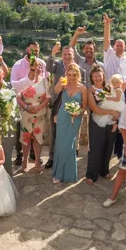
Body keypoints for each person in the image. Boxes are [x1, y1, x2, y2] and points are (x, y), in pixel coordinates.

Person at [43, 41, 78, 170]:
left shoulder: (78, 68)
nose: (67, 56)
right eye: (65, 54)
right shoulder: (57, 65)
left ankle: (68, 156)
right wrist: (52, 53)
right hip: (58, 101)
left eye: (69, 54)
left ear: (73, 55)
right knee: (55, 131)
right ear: (62, 55)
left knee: (70, 132)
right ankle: (52, 157)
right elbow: (48, 68)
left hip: (72, 101)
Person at [52, 63, 87, 184]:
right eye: (69, 74)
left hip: (74, 118)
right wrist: (60, 83)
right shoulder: (64, 84)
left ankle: (68, 174)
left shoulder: (82, 88)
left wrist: (78, 112)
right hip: (62, 116)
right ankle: (58, 174)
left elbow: (84, 106)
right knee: (60, 143)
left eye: (74, 75)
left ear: (78, 75)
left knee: (69, 145)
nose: (72, 77)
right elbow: (56, 91)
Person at [85, 70, 123, 184]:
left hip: (111, 122)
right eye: (95, 76)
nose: (97, 78)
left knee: (108, 147)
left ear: (103, 76)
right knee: (96, 148)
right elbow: (95, 109)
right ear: (92, 77)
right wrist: (112, 112)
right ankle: (91, 174)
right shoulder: (90, 91)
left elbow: (119, 100)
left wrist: (116, 115)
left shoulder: (110, 88)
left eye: (99, 75)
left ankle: (104, 171)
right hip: (97, 122)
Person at [15, 60, 51, 173]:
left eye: (39, 66)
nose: (37, 68)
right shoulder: (24, 81)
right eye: (34, 65)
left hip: (40, 113)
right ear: (30, 68)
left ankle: (36, 161)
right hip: (26, 113)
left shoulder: (45, 81)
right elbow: (17, 97)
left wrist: (39, 108)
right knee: (26, 137)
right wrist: (26, 107)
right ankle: (24, 161)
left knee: (38, 138)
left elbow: (48, 97)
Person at [102, 13, 126, 83]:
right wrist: (107, 25)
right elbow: (106, 40)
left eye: (121, 46)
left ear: (125, 47)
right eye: (117, 45)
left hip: (121, 90)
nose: (119, 47)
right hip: (108, 88)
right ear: (114, 47)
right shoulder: (109, 53)